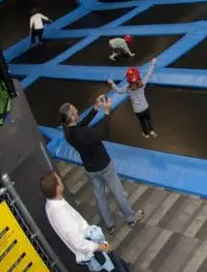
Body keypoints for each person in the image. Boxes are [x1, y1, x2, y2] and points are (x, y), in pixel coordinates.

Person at [40, 171, 156, 272]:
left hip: (95, 246)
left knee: (122, 269)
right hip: (95, 251)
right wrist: (103, 247)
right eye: (58, 180)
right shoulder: (60, 214)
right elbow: (79, 243)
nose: (61, 180)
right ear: (57, 187)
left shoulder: (52, 204)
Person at [60, 97, 144, 234]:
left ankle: (109, 225)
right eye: (75, 110)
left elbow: (82, 124)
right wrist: (106, 112)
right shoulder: (83, 134)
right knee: (118, 192)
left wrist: (95, 107)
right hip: (104, 165)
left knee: (99, 197)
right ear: (73, 116)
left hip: (90, 168)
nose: (77, 109)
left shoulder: (68, 132)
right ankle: (130, 218)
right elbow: (103, 133)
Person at [107, 58, 157, 138]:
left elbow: (118, 90)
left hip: (137, 110)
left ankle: (146, 134)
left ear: (128, 80)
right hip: (145, 107)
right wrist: (153, 63)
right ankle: (152, 131)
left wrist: (112, 83)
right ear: (138, 77)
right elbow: (148, 73)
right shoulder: (142, 83)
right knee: (148, 119)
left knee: (142, 121)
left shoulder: (127, 88)